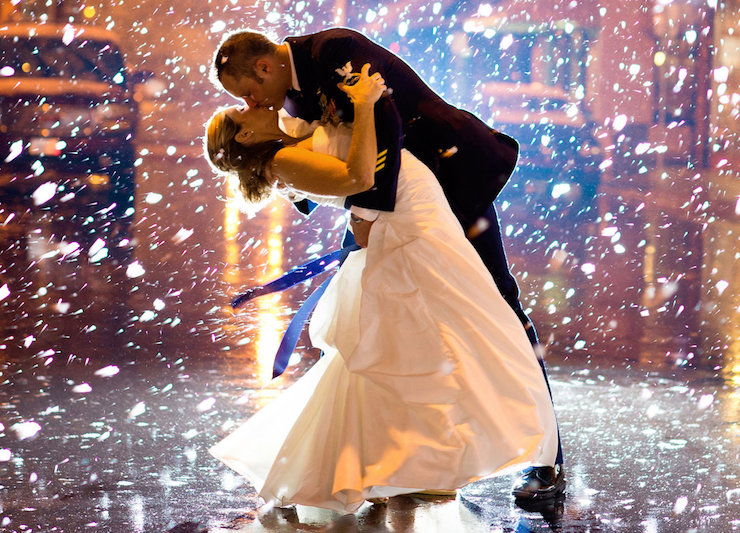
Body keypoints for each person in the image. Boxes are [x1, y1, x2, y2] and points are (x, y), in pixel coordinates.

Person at [212, 27, 565, 501]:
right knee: (371, 323)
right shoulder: (288, 98)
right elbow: (323, 155)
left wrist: (365, 213)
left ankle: (545, 459)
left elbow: (385, 122)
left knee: (499, 306)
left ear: (263, 67)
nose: (254, 103)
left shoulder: (334, 50)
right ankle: (397, 458)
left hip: (442, 182)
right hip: (385, 200)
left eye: (250, 93)